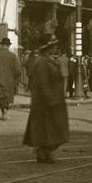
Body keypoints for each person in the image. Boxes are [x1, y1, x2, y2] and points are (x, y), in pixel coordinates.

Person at [23, 36, 70, 164]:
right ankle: (43, 152)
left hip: (51, 100)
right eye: (53, 46)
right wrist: (50, 98)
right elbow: (43, 83)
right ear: (47, 49)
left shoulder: (48, 60)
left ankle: (44, 152)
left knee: (49, 130)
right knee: (50, 129)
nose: (56, 48)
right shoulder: (43, 62)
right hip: (46, 102)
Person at [0, 38, 21, 120]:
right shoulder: (13, 56)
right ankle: (5, 109)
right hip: (9, 80)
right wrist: (15, 79)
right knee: (7, 96)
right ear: (9, 45)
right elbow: (18, 70)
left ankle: (3, 111)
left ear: (1, 45)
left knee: (0, 96)